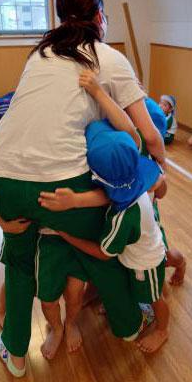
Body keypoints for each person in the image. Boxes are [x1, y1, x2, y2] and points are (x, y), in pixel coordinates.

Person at [0, 0, 166, 377]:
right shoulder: (108, 57)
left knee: (20, 264)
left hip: (2, 172)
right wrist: (159, 168)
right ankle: (129, 325)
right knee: (102, 250)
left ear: (61, 17)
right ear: (100, 16)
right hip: (61, 178)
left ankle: (16, 353)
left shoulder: (40, 53)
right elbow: (148, 135)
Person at [40, 118, 172, 353]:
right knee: (138, 289)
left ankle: (162, 329)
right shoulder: (137, 184)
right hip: (136, 257)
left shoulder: (122, 217)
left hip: (145, 264)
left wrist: (66, 235)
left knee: (155, 297)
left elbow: (103, 253)